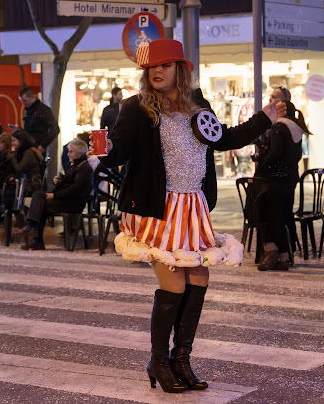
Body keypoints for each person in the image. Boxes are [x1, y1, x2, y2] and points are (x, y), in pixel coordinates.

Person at [102, 39, 285, 394]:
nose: (157, 71)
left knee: (198, 280)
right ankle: (158, 360)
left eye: (165, 66)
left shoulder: (197, 104)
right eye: (152, 67)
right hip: (158, 208)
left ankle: (180, 360)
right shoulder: (136, 107)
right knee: (174, 283)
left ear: (180, 70)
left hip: (193, 207)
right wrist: (106, 149)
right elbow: (119, 150)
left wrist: (264, 118)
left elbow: (224, 138)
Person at [254, 100, 306, 271]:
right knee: (281, 216)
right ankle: (283, 257)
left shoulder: (278, 128)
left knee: (266, 215)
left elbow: (274, 154)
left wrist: (262, 161)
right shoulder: (295, 128)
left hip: (274, 180)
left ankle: (272, 251)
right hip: (289, 179)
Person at [18, 138, 93, 250]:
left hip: (73, 202)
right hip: (65, 199)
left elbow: (75, 189)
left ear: (79, 153)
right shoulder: (73, 165)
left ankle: (34, 232)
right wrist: (59, 181)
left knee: (39, 203)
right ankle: (34, 231)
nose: (67, 154)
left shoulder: (85, 167)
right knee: (38, 196)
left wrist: (54, 195)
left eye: (70, 151)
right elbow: (68, 182)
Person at [18, 87, 60, 154]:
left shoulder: (44, 110)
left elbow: (55, 129)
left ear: (32, 97)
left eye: (24, 100)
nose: (23, 104)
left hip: (37, 147)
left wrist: (43, 145)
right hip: (28, 146)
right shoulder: (28, 110)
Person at [10, 129, 44, 194]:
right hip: (28, 181)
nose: (12, 143)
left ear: (21, 141)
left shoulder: (29, 153)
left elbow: (19, 169)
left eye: (14, 141)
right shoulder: (25, 151)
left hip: (31, 184)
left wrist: (13, 154)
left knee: (9, 191)